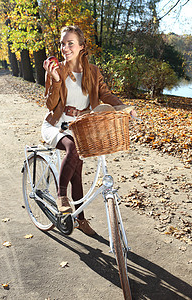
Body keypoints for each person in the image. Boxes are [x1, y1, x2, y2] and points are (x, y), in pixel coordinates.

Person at [42, 25, 136, 236]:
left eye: (70, 43)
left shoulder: (92, 72)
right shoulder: (57, 70)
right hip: (56, 125)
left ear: (82, 46)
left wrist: (124, 108)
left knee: (77, 173)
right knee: (73, 149)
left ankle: (80, 220)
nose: (65, 47)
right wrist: (56, 81)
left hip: (79, 127)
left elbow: (106, 95)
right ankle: (60, 196)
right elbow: (50, 105)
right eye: (62, 43)